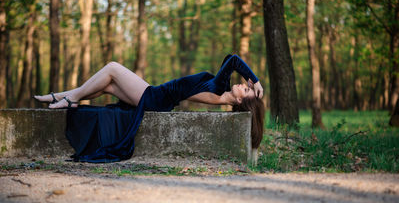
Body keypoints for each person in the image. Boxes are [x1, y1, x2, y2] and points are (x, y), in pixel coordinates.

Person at [34, 54, 265, 163]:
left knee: (112, 68)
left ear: (239, 102)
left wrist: (256, 80)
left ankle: (70, 97)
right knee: (109, 85)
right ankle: (66, 95)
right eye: (247, 85)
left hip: (154, 97)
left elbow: (234, 59)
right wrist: (254, 83)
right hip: (157, 96)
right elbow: (227, 58)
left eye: (246, 90)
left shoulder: (218, 88)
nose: (244, 84)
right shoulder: (221, 88)